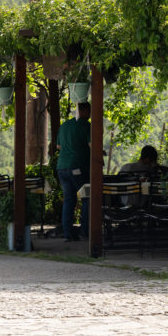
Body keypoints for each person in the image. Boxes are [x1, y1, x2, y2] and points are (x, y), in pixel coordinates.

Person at [56, 101, 91, 241]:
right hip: (78, 168)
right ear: (83, 111)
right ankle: (85, 231)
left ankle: (68, 234)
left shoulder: (64, 125)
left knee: (69, 200)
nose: (89, 115)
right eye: (89, 111)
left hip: (62, 169)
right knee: (87, 198)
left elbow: (58, 146)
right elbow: (91, 145)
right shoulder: (86, 125)